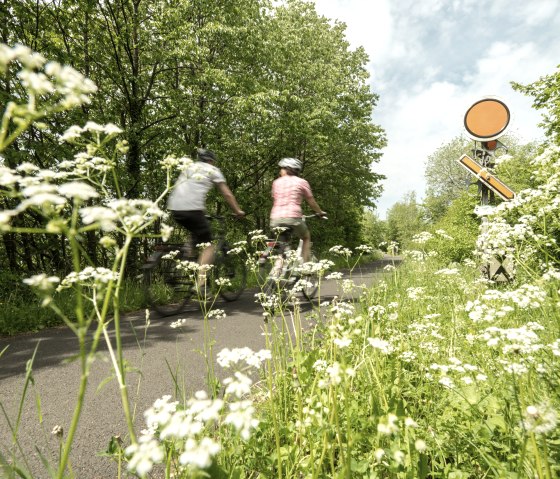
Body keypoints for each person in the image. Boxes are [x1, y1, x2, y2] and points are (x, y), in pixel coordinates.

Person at [167, 148, 245, 288]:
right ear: (211, 160)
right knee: (209, 246)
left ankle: (185, 262)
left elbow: (189, 189)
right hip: (192, 209)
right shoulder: (212, 170)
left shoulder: (189, 167)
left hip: (174, 207)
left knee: (195, 235)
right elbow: (227, 194)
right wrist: (237, 211)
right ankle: (201, 285)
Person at [270, 157, 326, 264]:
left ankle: (276, 273)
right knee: (306, 237)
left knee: (281, 248)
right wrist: (320, 212)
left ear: (287, 169)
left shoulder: (276, 182)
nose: (280, 171)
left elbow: (275, 198)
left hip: (275, 219)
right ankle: (305, 266)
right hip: (293, 218)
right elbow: (311, 201)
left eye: (281, 169)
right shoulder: (302, 182)